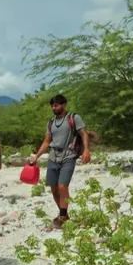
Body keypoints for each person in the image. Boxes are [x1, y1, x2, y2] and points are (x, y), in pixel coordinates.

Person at [30, 94, 92, 229]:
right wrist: (36, 157)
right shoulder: (51, 122)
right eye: (52, 105)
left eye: (56, 105)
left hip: (68, 155)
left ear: (64, 105)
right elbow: (47, 141)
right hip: (53, 156)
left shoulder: (73, 118)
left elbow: (83, 133)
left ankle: (63, 216)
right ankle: (63, 213)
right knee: (53, 188)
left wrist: (86, 150)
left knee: (63, 186)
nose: (54, 107)